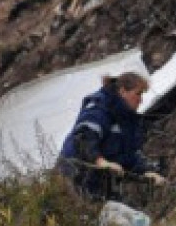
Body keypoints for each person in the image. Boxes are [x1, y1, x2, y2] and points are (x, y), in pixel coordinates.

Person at [57, 72, 167, 200]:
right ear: (123, 91)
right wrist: (101, 161)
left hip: (99, 181)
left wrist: (146, 172)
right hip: (73, 174)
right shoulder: (99, 107)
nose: (141, 100)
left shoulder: (126, 120)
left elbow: (128, 154)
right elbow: (83, 138)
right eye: (138, 94)